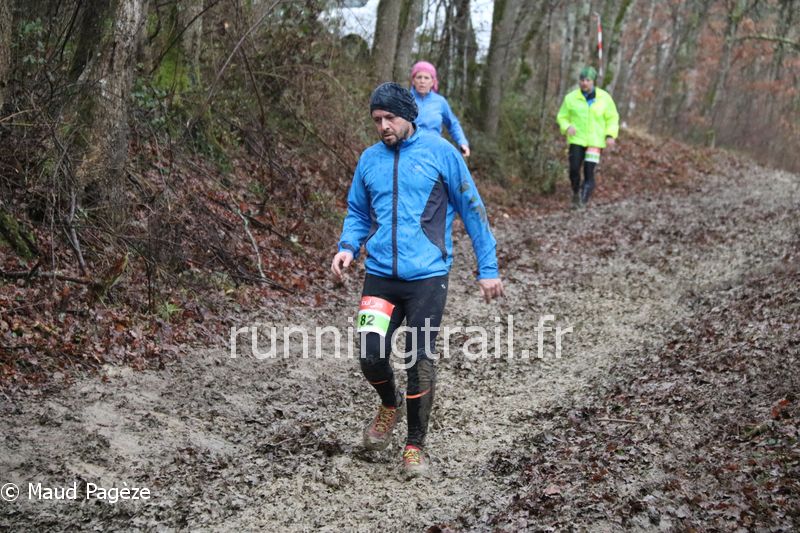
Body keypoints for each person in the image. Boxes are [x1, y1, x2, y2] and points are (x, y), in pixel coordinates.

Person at [331, 82, 504, 478]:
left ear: (409, 115)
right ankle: (389, 404)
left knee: (418, 359)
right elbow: (358, 212)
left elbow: (473, 210)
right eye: (377, 120)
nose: (383, 126)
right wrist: (348, 247)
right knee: (370, 355)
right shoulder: (369, 160)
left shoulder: (441, 153)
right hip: (379, 275)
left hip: (428, 276)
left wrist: (488, 268)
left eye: (389, 118)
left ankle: (414, 447)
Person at [556, 66, 619, 208]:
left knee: (588, 171)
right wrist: (567, 127)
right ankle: (575, 192)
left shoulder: (604, 98)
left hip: (595, 141)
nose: (584, 83)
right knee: (574, 169)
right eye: (582, 80)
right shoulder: (571, 98)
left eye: (588, 80)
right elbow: (562, 116)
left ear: (593, 81)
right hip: (576, 139)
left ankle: (582, 201)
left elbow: (612, 118)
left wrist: (610, 135)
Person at [409, 61, 471, 157]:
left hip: (434, 151)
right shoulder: (405, 99)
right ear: (413, 80)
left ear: (432, 82)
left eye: (426, 78)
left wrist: (462, 142)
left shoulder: (440, 101)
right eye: (419, 77)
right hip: (410, 150)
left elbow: (453, 124)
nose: (422, 81)